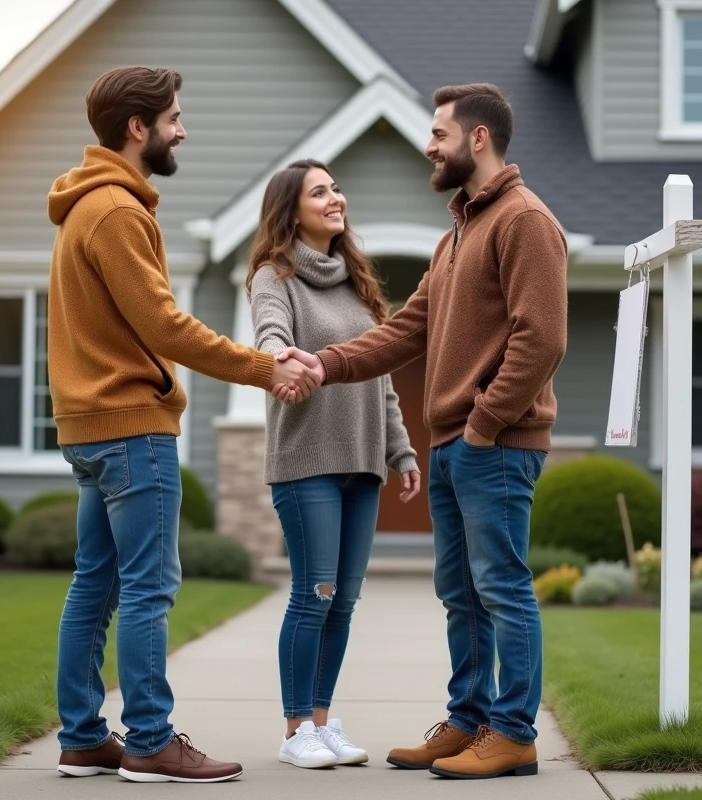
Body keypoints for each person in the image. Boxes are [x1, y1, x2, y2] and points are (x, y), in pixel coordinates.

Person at [277, 83, 568, 780]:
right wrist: (325, 362)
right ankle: (468, 721)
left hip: (492, 446)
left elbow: (544, 338)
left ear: (476, 139)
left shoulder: (524, 221)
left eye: (438, 133)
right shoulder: (458, 233)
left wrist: (484, 425)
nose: (427, 145)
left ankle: (514, 732)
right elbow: (407, 330)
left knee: (501, 588)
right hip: (454, 446)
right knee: (460, 595)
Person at [46, 66, 320, 784]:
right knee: (146, 589)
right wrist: (266, 368)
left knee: (95, 586)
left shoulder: (87, 206)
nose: (182, 129)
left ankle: (81, 737)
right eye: (173, 118)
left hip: (89, 428)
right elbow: (165, 325)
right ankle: (150, 741)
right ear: (138, 128)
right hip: (132, 428)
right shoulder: (115, 211)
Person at [247, 159, 422, 770]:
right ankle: (296, 728)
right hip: (306, 462)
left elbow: (383, 379)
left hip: (363, 462)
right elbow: (269, 334)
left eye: (337, 188)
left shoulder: (357, 283)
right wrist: (277, 363)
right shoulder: (275, 276)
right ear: (290, 210)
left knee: (343, 600)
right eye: (320, 191)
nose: (335, 198)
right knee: (313, 594)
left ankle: (322, 721)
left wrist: (399, 448)